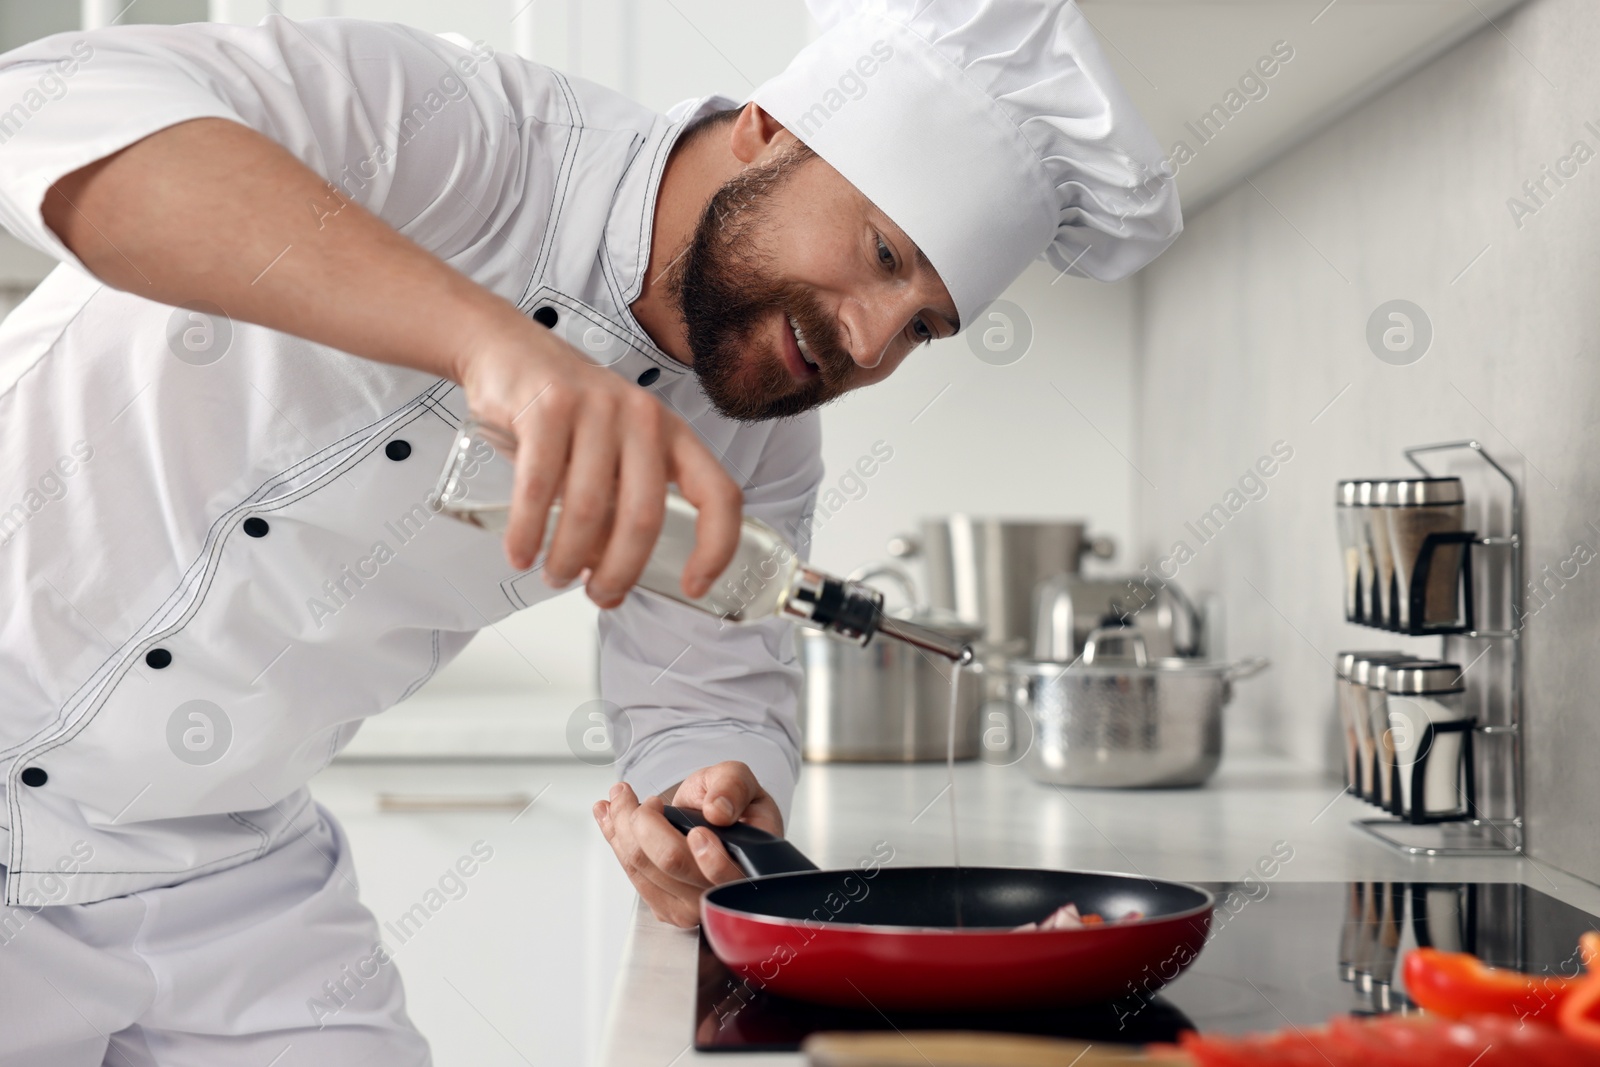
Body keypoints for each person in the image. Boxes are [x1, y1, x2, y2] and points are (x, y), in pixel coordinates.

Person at [0, 0, 1179, 1060]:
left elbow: (702, 695)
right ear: (771, 127)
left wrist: (709, 795)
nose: (871, 345)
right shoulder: (462, 126)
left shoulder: (758, 427)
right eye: (881, 256)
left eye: (922, 326)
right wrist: (489, 342)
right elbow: (41, 108)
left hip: (226, 872)